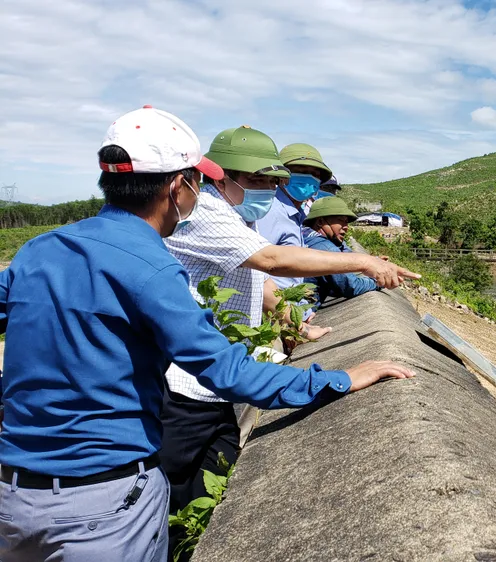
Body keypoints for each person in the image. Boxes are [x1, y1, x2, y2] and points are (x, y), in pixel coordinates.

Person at [0, 106, 416, 562]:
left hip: (14, 499)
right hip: (103, 506)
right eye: (199, 182)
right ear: (179, 187)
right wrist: (338, 379)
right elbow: (226, 370)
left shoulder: (37, 250)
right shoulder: (152, 268)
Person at [159, 127, 416, 544]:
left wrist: (294, 322)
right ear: (219, 177)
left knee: (204, 493)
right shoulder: (206, 212)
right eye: (257, 180)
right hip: (184, 386)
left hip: (217, 384)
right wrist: (362, 263)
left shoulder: (238, 216)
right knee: (167, 506)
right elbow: (272, 260)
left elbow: (255, 280)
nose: (267, 190)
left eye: (272, 182)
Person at [256, 143, 331, 290]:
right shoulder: (270, 211)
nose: (308, 177)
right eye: (301, 171)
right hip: (274, 309)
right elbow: (257, 268)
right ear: (281, 176)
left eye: (315, 174)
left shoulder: (295, 215)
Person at [302, 196, 378, 302]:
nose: (346, 226)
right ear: (320, 222)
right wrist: (378, 280)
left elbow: (347, 256)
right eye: (341, 220)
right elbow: (352, 286)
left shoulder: (306, 235)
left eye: (346, 222)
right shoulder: (325, 248)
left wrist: (372, 261)